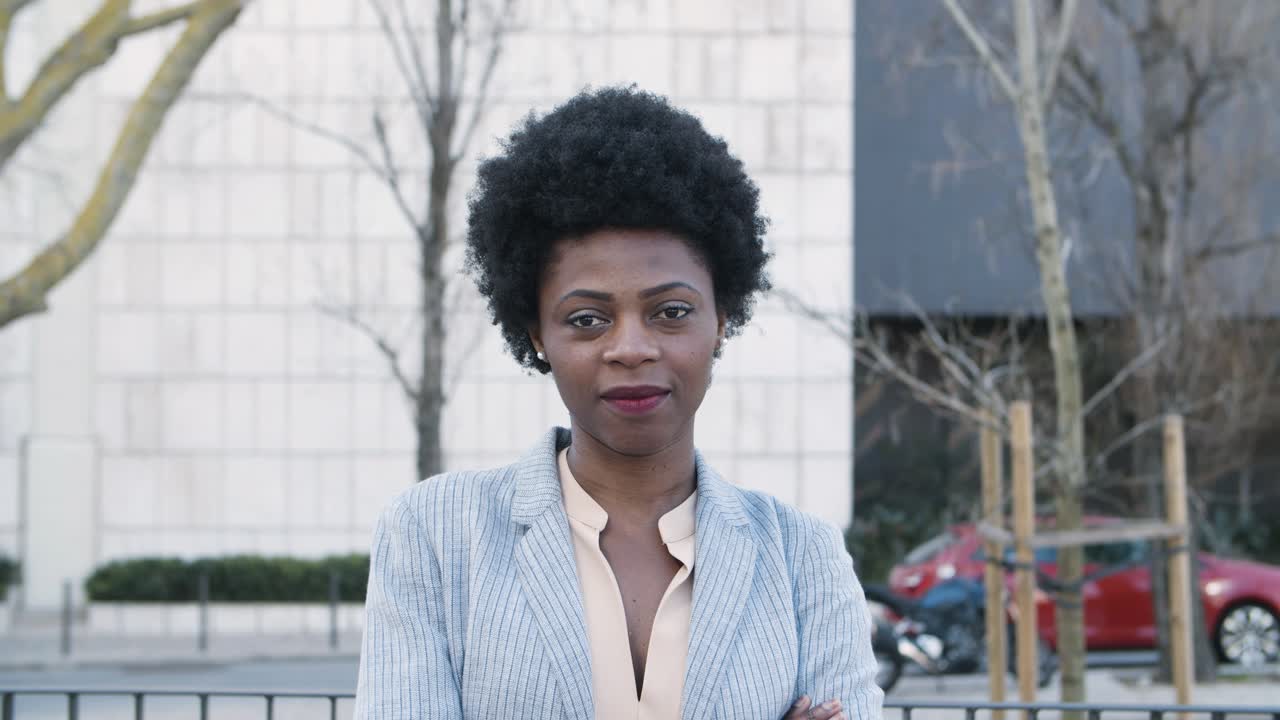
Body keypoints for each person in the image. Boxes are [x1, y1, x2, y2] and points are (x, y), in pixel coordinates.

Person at [354, 86, 882, 720]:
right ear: (535, 333)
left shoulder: (803, 558)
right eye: (586, 319)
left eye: (671, 311)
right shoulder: (434, 535)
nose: (630, 347)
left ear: (722, 319)